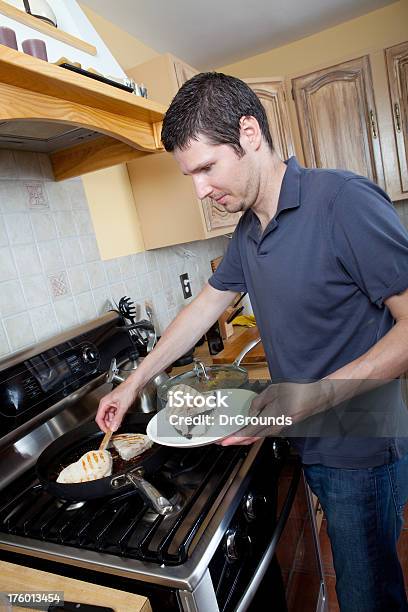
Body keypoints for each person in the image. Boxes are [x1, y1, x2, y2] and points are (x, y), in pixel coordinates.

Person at [96, 72, 408, 611]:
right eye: (189, 174)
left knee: (367, 598)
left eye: (206, 167)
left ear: (249, 133)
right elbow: (204, 309)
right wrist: (134, 380)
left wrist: (316, 396)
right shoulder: (248, 230)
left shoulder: (342, 202)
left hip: (360, 446)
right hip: (309, 436)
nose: (199, 189)